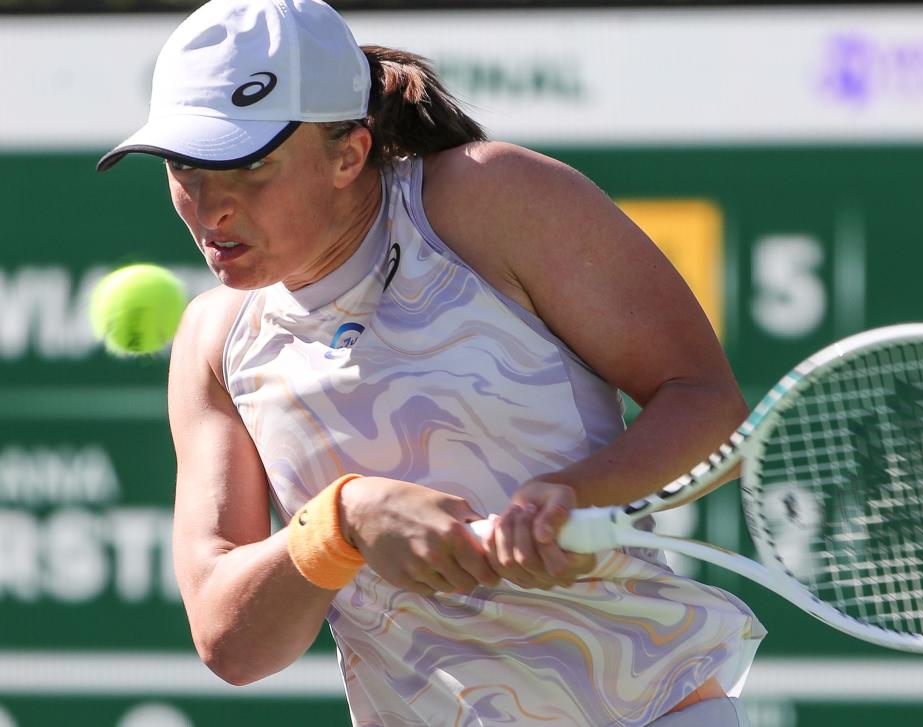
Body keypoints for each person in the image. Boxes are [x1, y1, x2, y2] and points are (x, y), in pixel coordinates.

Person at [98, 0, 764, 724]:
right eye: (184, 166)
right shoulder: (213, 339)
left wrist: (573, 492)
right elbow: (230, 642)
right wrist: (342, 522)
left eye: (250, 164)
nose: (208, 206)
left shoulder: (491, 196)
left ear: (348, 154)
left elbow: (707, 405)